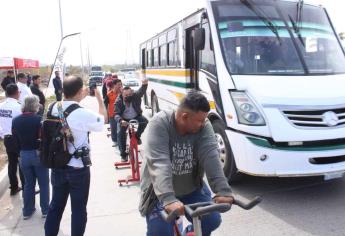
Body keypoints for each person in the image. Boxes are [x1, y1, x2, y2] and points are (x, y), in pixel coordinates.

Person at [139, 90, 234, 236]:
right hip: (158, 192)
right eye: (199, 121)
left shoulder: (204, 125)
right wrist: (168, 199)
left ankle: (189, 232)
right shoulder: (160, 123)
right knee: (160, 232)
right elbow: (159, 162)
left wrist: (223, 190)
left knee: (211, 220)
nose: (203, 124)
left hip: (191, 188)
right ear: (184, 117)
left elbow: (211, 156)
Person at [44, 75, 106, 236]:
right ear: (79, 91)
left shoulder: (52, 107)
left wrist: (80, 96)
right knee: (78, 210)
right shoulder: (82, 113)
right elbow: (104, 119)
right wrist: (99, 98)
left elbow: (65, 113)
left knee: (55, 207)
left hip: (57, 166)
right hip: (77, 168)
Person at [12, 96, 50, 220]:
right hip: (37, 154)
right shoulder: (38, 120)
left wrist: (19, 154)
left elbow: (15, 139)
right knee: (44, 183)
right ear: (35, 105)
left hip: (23, 154)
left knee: (28, 184)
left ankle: (27, 211)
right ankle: (45, 210)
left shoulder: (16, 120)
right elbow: (43, 139)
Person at [114, 79, 148, 162]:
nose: (128, 96)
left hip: (135, 117)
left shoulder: (135, 96)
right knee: (120, 134)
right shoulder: (118, 101)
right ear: (122, 94)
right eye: (126, 95)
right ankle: (123, 155)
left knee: (144, 121)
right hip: (124, 119)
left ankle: (137, 137)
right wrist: (121, 121)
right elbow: (116, 114)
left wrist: (144, 84)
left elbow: (141, 91)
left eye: (130, 94)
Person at [0, 84, 25, 196]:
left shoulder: (1, 106)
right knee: (22, 164)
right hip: (18, 139)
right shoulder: (19, 106)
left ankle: (14, 188)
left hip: (7, 138)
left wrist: (3, 134)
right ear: (16, 93)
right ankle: (25, 188)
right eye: (19, 92)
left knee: (12, 164)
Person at [106, 79, 122, 147]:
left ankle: (121, 141)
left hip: (121, 114)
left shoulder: (122, 93)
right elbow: (106, 105)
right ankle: (115, 141)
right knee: (113, 128)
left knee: (121, 129)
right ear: (114, 85)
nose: (120, 86)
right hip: (112, 114)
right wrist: (106, 116)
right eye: (118, 84)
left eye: (121, 84)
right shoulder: (109, 94)